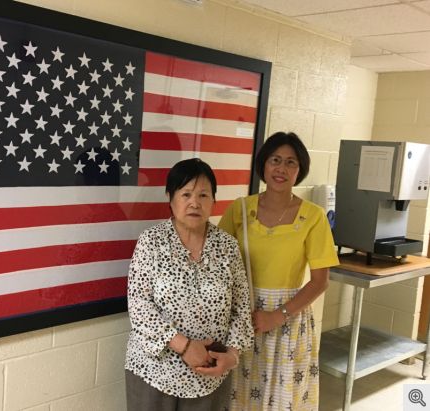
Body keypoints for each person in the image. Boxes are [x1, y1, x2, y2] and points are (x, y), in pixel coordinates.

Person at [218, 132, 339, 411]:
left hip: (288, 319)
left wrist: (277, 315)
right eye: (275, 160)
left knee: (282, 398)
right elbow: (216, 261)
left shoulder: (314, 216)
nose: (281, 169)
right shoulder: (240, 210)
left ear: (300, 170)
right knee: (240, 395)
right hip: (242, 317)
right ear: (264, 164)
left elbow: (320, 282)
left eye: (290, 162)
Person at [125, 158, 254, 411]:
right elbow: (138, 304)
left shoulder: (227, 246)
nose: (195, 202)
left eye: (203, 194)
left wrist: (233, 355)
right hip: (154, 371)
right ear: (170, 198)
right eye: (186, 194)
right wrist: (184, 346)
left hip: (210, 373)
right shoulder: (151, 242)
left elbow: (241, 307)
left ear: (214, 200)